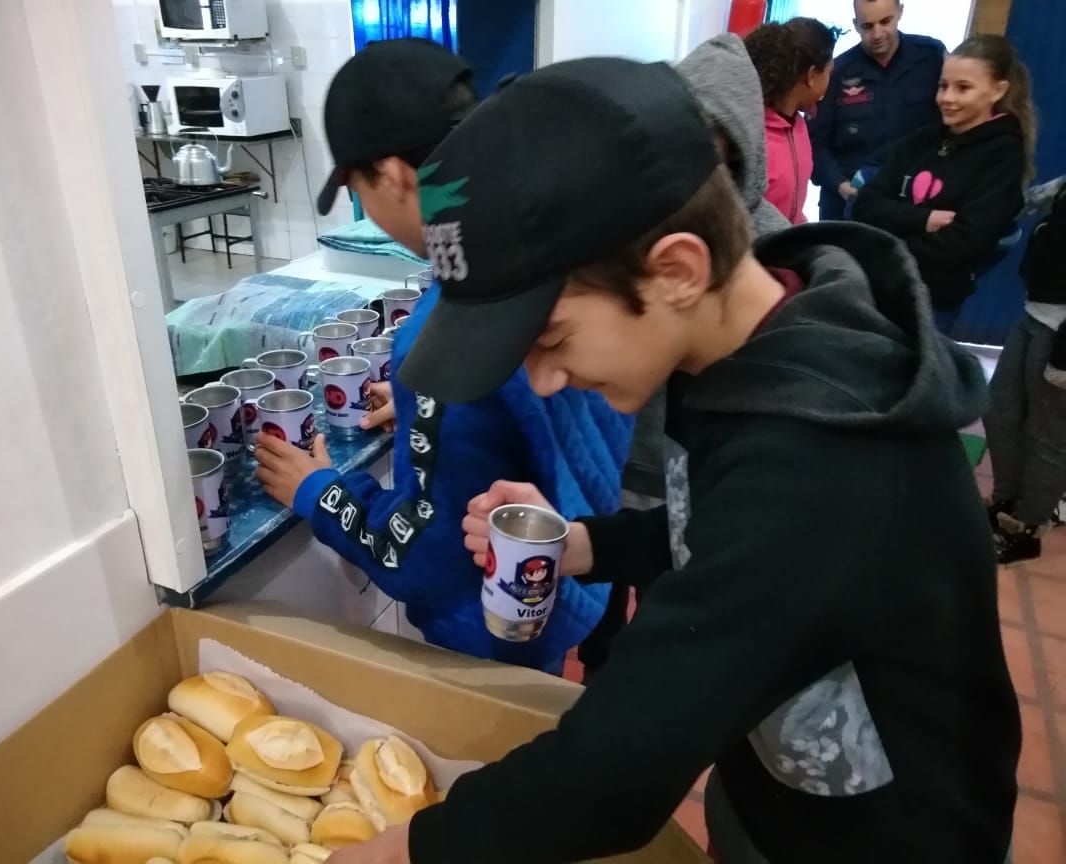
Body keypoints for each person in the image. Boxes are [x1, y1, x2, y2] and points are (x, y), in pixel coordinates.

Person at [325, 57, 1019, 864]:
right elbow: (723, 542)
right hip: (775, 787)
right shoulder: (745, 350)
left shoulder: (825, 456)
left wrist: (405, 850)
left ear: (677, 270)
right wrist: (586, 544)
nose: (544, 378)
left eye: (552, 337)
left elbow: (619, 769)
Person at [253, 38, 633, 675]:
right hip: (567, 577)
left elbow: (421, 554)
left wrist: (318, 491)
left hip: (488, 626)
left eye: (358, 189)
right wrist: (422, 413)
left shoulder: (453, 329)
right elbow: (535, 423)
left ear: (393, 174)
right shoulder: (563, 258)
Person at [577, 32, 791, 679]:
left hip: (697, 475)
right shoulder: (632, 236)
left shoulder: (774, 273)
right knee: (609, 619)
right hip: (634, 466)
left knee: (671, 631)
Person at [852, 34, 1034, 332]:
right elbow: (865, 204)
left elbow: (964, 243)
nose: (947, 98)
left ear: (997, 91)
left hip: (931, 302)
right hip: (878, 287)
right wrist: (924, 219)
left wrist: (885, 247)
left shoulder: (1003, 157)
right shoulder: (924, 140)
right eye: (943, 86)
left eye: (963, 88)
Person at [983, 175, 1066, 564]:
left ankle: (1028, 528)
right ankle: (1006, 502)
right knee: (999, 409)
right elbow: (1024, 204)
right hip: (1036, 313)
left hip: (1061, 331)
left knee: (1048, 436)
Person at [808, 0, 945, 220]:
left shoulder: (931, 57)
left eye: (885, 21)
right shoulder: (837, 72)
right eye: (868, 26)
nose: (877, 34)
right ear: (855, 24)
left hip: (912, 201)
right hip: (847, 200)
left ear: (900, 12)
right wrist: (840, 185)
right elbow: (814, 145)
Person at [744, 18, 838, 224]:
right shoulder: (753, 138)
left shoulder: (799, 126)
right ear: (811, 76)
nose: (828, 85)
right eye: (829, 74)